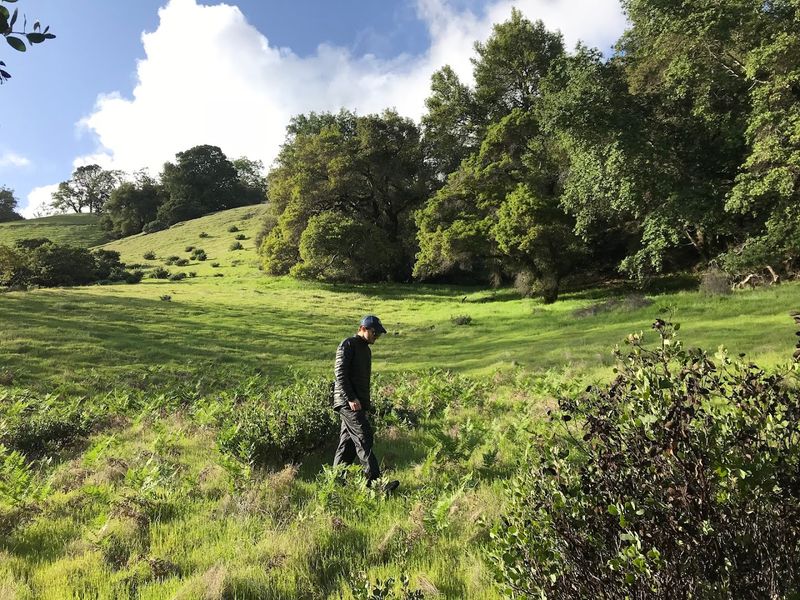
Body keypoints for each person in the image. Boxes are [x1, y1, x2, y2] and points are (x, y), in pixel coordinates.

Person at [332, 315, 399, 493]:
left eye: (378, 334)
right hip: (348, 402)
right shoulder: (348, 344)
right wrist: (351, 398)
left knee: (347, 446)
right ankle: (377, 485)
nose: (376, 336)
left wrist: (362, 403)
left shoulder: (366, 350)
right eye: (374, 332)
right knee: (364, 436)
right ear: (363, 328)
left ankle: (335, 483)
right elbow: (339, 374)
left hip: (357, 403)